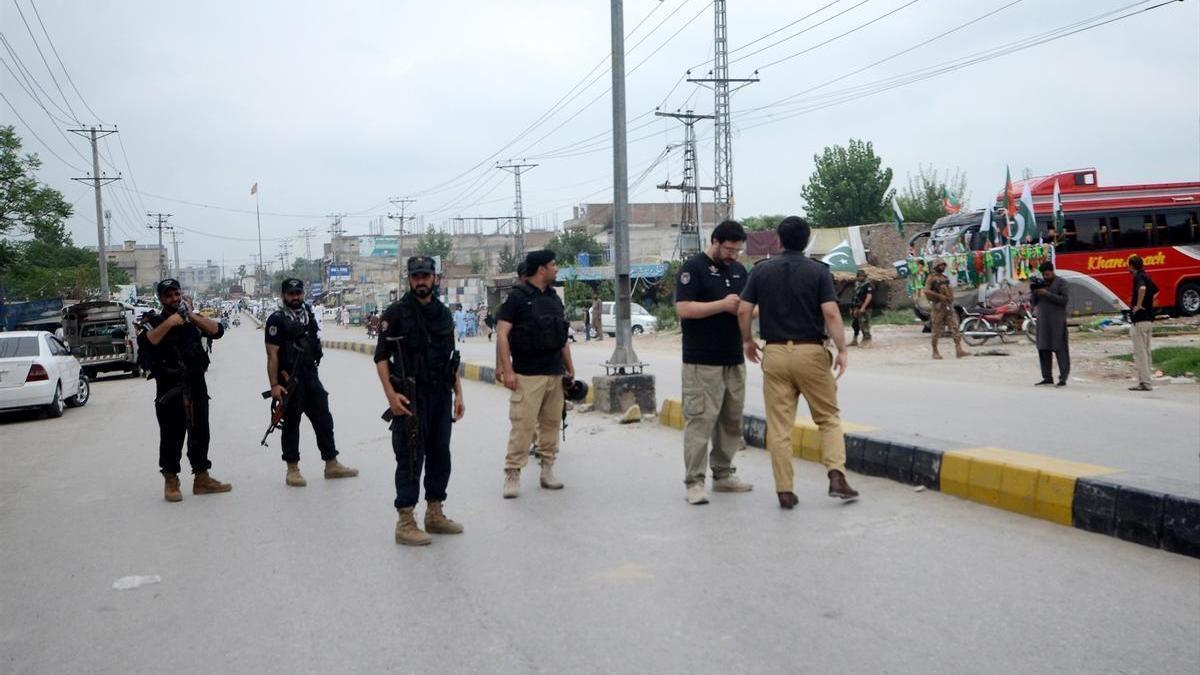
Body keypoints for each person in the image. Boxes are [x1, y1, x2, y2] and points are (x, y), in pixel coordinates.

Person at [737, 217, 859, 509]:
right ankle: (836, 476)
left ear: (779, 241)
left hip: (775, 353)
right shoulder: (818, 272)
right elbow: (830, 314)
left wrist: (747, 341)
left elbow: (743, 310)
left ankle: (785, 491)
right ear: (806, 242)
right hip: (811, 352)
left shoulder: (761, 271)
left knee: (779, 427)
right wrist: (842, 349)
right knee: (828, 418)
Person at [375, 257, 466, 546]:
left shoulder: (442, 313)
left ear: (435, 278)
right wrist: (391, 395)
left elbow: (450, 358)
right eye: (416, 277)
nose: (421, 281)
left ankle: (434, 513)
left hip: (441, 394)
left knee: (440, 454)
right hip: (410, 397)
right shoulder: (397, 313)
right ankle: (405, 521)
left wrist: (459, 393)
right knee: (411, 456)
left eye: (426, 275)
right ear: (409, 279)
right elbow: (380, 358)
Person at [674, 219, 754, 505]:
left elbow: (746, 308)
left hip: (733, 357)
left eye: (738, 250)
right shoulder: (692, 268)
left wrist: (750, 313)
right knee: (701, 421)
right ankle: (694, 482)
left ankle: (723, 474)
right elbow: (683, 309)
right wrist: (722, 305)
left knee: (731, 420)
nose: (733, 254)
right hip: (701, 360)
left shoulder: (739, 271)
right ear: (716, 242)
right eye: (730, 249)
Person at [138, 278, 232, 502]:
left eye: (176, 294)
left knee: (201, 431)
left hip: (195, 383)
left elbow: (217, 331)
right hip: (170, 387)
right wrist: (170, 322)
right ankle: (171, 480)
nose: (174, 298)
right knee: (172, 435)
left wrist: (190, 316)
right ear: (161, 298)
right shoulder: (154, 320)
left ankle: (202, 478)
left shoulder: (192, 319)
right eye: (169, 295)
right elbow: (147, 341)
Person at [496, 249, 575, 498]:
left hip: (554, 372)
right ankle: (512, 473)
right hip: (527, 375)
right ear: (541, 268)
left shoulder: (554, 299)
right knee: (523, 426)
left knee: (551, 424)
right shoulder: (517, 298)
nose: (556, 268)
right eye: (553, 264)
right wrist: (506, 369)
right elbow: (502, 334)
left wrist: (569, 368)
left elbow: (562, 337)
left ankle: (547, 470)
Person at [265, 278, 358, 487]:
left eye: (298, 292)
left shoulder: (308, 314)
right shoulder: (277, 320)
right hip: (289, 378)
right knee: (291, 424)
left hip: (310, 375)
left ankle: (331, 463)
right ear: (283, 296)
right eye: (291, 294)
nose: (295, 297)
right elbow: (272, 355)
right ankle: (292, 469)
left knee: (324, 418)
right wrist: (274, 385)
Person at [1031, 262, 1070, 387]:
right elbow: (1033, 303)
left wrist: (1047, 293)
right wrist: (1035, 292)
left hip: (1057, 322)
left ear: (1052, 271)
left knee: (1060, 349)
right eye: (1044, 275)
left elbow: (1064, 300)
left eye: (1047, 274)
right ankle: (1047, 377)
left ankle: (1063, 378)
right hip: (1043, 323)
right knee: (1043, 348)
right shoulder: (1041, 283)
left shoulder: (1061, 283)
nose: (1046, 277)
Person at [923, 258, 968, 359]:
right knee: (936, 329)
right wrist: (939, 296)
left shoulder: (945, 278)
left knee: (955, 327)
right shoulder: (931, 278)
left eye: (944, 265)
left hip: (948, 306)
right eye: (941, 265)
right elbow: (926, 291)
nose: (943, 267)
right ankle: (935, 352)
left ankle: (959, 349)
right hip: (938, 307)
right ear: (936, 266)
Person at [1127, 255, 1159, 391]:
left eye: (1128, 265)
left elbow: (1142, 289)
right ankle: (1146, 380)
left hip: (1140, 320)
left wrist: (1139, 305)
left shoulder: (1138, 277)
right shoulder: (1147, 276)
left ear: (1132, 266)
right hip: (1149, 319)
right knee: (1146, 351)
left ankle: (1145, 383)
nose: (1128, 268)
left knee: (1140, 353)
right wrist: (1149, 303)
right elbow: (1156, 291)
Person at [849, 270, 874, 347]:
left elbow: (869, 296)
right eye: (859, 276)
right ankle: (855, 339)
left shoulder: (868, 285)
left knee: (864, 323)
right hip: (857, 307)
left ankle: (867, 340)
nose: (860, 277)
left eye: (862, 276)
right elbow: (854, 297)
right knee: (855, 324)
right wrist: (852, 308)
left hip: (865, 307)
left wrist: (863, 307)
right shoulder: (857, 285)